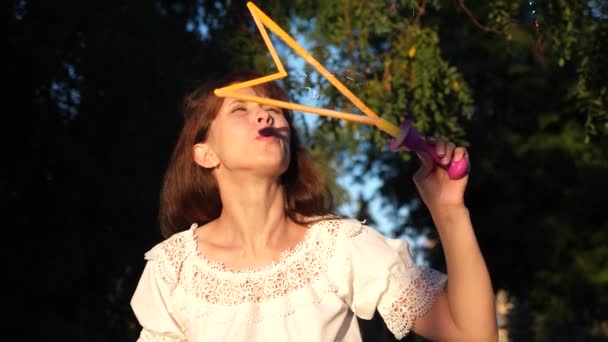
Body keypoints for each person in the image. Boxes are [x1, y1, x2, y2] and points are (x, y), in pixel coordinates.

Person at [130, 71, 498, 342]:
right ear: (205, 154)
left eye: (274, 108)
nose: (266, 116)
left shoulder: (340, 246)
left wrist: (449, 212)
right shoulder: (173, 269)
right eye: (239, 110)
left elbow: (473, 336)